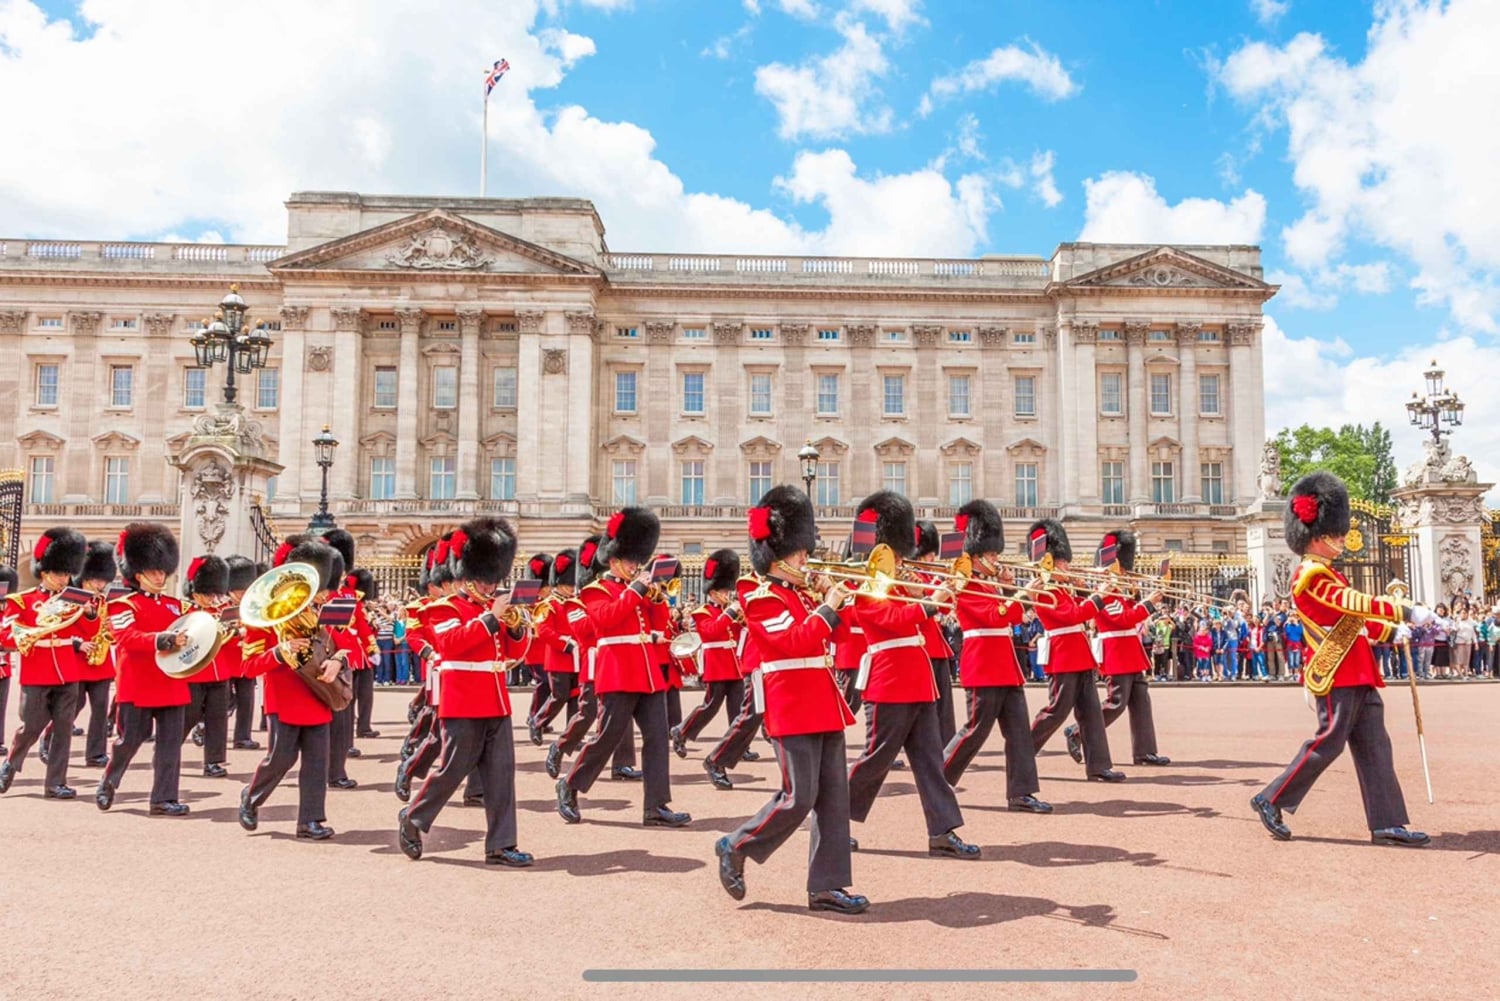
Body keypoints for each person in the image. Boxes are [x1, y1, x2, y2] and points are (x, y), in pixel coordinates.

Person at [1252, 471, 1430, 847]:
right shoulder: (1310, 575)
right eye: (1336, 534)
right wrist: (1401, 609)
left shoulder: (1330, 573)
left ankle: (1387, 822)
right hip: (1335, 672)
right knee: (1329, 742)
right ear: (1317, 536)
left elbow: (1354, 620)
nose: (1341, 540)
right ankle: (1271, 798)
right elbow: (1351, 603)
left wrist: (1390, 631)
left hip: (1358, 671)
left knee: (1376, 746)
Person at [714, 485, 868, 914]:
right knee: (798, 796)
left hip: (823, 701)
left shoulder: (803, 595)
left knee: (834, 799)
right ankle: (737, 844)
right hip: (792, 704)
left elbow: (842, 635)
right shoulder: (759, 597)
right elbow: (794, 642)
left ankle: (827, 886)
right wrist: (826, 608)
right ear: (777, 556)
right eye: (800, 552)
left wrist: (838, 601)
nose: (807, 558)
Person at [845, 491, 978, 860]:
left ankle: (942, 831)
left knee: (930, 762)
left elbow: (925, 615)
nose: (901, 560)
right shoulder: (869, 586)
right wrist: (929, 603)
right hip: (889, 683)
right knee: (875, 761)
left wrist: (941, 591)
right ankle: (833, 821)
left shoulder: (903, 582)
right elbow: (890, 619)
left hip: (918, 681)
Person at [400, 518, 534, 866]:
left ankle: (501, 845)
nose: (490, 586)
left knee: (501, 776)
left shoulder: (491, 609)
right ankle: (414, 816)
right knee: (452, 770)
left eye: (493, 580)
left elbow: (514, 653)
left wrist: (516, 629)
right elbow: (451, 644)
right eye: (484, 579)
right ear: (465, 577)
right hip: (462, 701)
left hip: (496, 701)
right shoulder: (444, 608)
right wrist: (490, 619)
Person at [556, 507, 688, 828]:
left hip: (647, 673)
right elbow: (605, 620)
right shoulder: (595, 590)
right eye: (630, 561)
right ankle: (570, 784)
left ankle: (655, 807)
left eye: (636, 560)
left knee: (657, 738)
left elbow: (659, 625)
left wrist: (657, 598)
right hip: (617, 671)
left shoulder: (638, 590)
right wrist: (636, 591)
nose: (634, 566)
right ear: (613, 560)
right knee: (607, 737)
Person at [940, 500, 1049, 813]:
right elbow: (995, 616)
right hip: (984, 664)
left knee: (1018, 733)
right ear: (975, 555)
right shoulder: (965, 584)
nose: (996, 559)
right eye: (991, 554)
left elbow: (1013, 617)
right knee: (975, 730)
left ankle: (1021, 792)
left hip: (1005, 665)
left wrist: (1012, 590)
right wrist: (1020, 594)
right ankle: (938, 779)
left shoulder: (991, 583)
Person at [239, 540, 347, 840]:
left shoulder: (318, 616)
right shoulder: (265, 619)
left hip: (318, 693)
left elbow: (340, 647)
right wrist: (279, 651)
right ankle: (252, 795)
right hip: (284, 696)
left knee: (317, 761)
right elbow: (248, 667)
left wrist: (337, 661)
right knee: (281, 758)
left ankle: (310, 821)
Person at [97, 523, 191, 815]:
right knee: (130, 741)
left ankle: (163, 799)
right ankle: (109, 780)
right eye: (153, 571)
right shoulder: (123, 605)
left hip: (171, 683)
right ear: (138, 574)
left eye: (162, 571)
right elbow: (127, 637)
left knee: (170, 746)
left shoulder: (177, 606)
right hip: (138, 684)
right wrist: (163, 640)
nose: (160, 576)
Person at [1026, 520, 1122, 782]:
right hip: (1063, 657)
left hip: (1080, 655)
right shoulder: (1045, 592)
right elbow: (1073, 615)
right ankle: (1023, 752)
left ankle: (1098, 766)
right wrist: (1097, 597)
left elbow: (1082, 607)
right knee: (1056, 711)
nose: (1067, 566)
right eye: (1063, 562)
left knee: (1091, 713)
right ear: (1050, 563)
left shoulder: (1063, 590)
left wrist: (1088, 589)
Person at [1065, 529, 1169, 769]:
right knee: (1116, 702)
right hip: (1116, 652)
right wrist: (1149, 604)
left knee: (1141, 702)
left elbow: (1130, 613)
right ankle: (1076, 731)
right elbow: (1122, 620)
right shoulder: (1104, 594)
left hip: (1131, 651)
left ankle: (1145, 751)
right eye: (1121, 568)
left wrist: (1137, 593)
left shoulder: (1119, 591)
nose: (1124, 572)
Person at [0, 528, 90, 799]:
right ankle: (11, 762)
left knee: (63, 730)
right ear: (45, 572)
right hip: (37, 672)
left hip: (67, 672)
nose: (65, 579)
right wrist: (30, 634)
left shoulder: (73, 600)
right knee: (31, 726)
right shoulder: (23, 601)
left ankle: (55, 783)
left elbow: (89, 632)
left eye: (67, 574)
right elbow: (6, 635)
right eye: (60, 573)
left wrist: (89, 614)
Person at [544, 536, 639, 782]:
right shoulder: (576, 602)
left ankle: (623, 764)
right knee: (588, 712)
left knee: (623, 712)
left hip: (616, 660)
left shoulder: (615, 594)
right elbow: (582, 629)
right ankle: (560, 747)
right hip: (595, 662)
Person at [672, 550, 745, 756]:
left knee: (738, 709)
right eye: (723, 591)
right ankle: (681, 732)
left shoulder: (729, 612)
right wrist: (729, 614)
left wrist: (742, 618)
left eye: (728, 590)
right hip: (717, 665)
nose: (727, 594)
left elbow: (739, 633)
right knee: (710, 706)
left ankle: (738, 747)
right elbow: (711, 632)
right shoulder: (702, 612)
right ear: (712, 592)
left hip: (734, 666)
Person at [180, 556, 234, 778]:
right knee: (187, 717)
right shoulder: (185, 612)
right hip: (194, 674)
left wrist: (235, 631)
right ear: (195, 592)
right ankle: (168, 751)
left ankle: (213, 761)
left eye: (214, 594)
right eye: (208, 594)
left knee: (217, 718)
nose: (212, 598)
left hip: (219, 672)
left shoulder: (221, 612)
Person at [530, 549, 585, 744]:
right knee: (559, 696)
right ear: (559, 583)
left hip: (576, 658)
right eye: (569, 584)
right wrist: (565, 644)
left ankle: (572, 736)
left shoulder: (575, 603)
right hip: (559, 658)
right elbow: (544, 631)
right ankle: (537, 721)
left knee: (575, 698)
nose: (572, 587)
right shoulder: (548, 604)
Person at [73, 541, 119, 767]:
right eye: (97, 580)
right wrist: (78, 644)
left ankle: (96, 752)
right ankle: (50, 738)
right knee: (74, 706)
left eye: (103, 580)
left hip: (100, 661)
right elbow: (60, 627)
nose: (101, 584)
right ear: (85, 577)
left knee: (100, 708)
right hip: (78, 660)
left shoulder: (104, 601)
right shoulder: (72, 598)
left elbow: (111, 628)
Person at [912, 519, 957, 746]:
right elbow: (923, 605)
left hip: (937, 645)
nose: (933, 558)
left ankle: (946, 746)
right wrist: (940, 585)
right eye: (929, 554)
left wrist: (949, 587)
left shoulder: (930, 576)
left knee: (944, 704)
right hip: (923, 646)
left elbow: (945, 608)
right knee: (927, 704)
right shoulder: (912, 576)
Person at [225, 556, 262, 750]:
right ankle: (206, 728)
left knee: (246, 701)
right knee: (223, 702)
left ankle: (242, 736)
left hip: (246, 659)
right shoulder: (223, 608)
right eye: (239, 590)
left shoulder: (253, 608)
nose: (243, 593)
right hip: (227, 660)